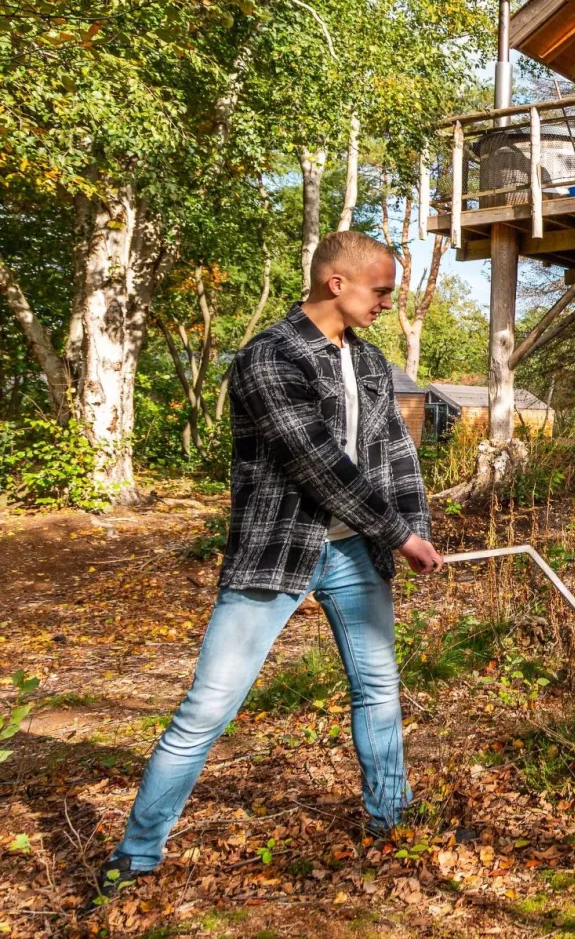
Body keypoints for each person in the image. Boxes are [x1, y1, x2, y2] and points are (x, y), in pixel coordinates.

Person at [94, 230, 444, 904]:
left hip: (353, 551)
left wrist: (413, 529)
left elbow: (396, 454)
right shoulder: (268, 356)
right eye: (381, 288)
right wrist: (399, 533)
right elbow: (316, 462)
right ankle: (135, 856)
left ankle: (390, 820)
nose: (388, 301)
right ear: (335, 283)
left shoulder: (370, 363)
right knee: (206, 707)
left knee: (378, 688)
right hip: (276, 551)